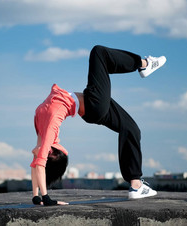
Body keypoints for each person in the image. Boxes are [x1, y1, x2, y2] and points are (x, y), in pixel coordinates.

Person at [30, 45, 167, 206]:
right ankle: (144, 64)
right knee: (98, 53)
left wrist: (36, 197)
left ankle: (136, 185)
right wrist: (46, 199)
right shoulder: (50, 132)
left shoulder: (41, 124)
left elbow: (36, 164)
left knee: (131, 129)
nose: (35, 152)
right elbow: (39, 163)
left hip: (91, 106)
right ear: (52, 154)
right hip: (93, 104)